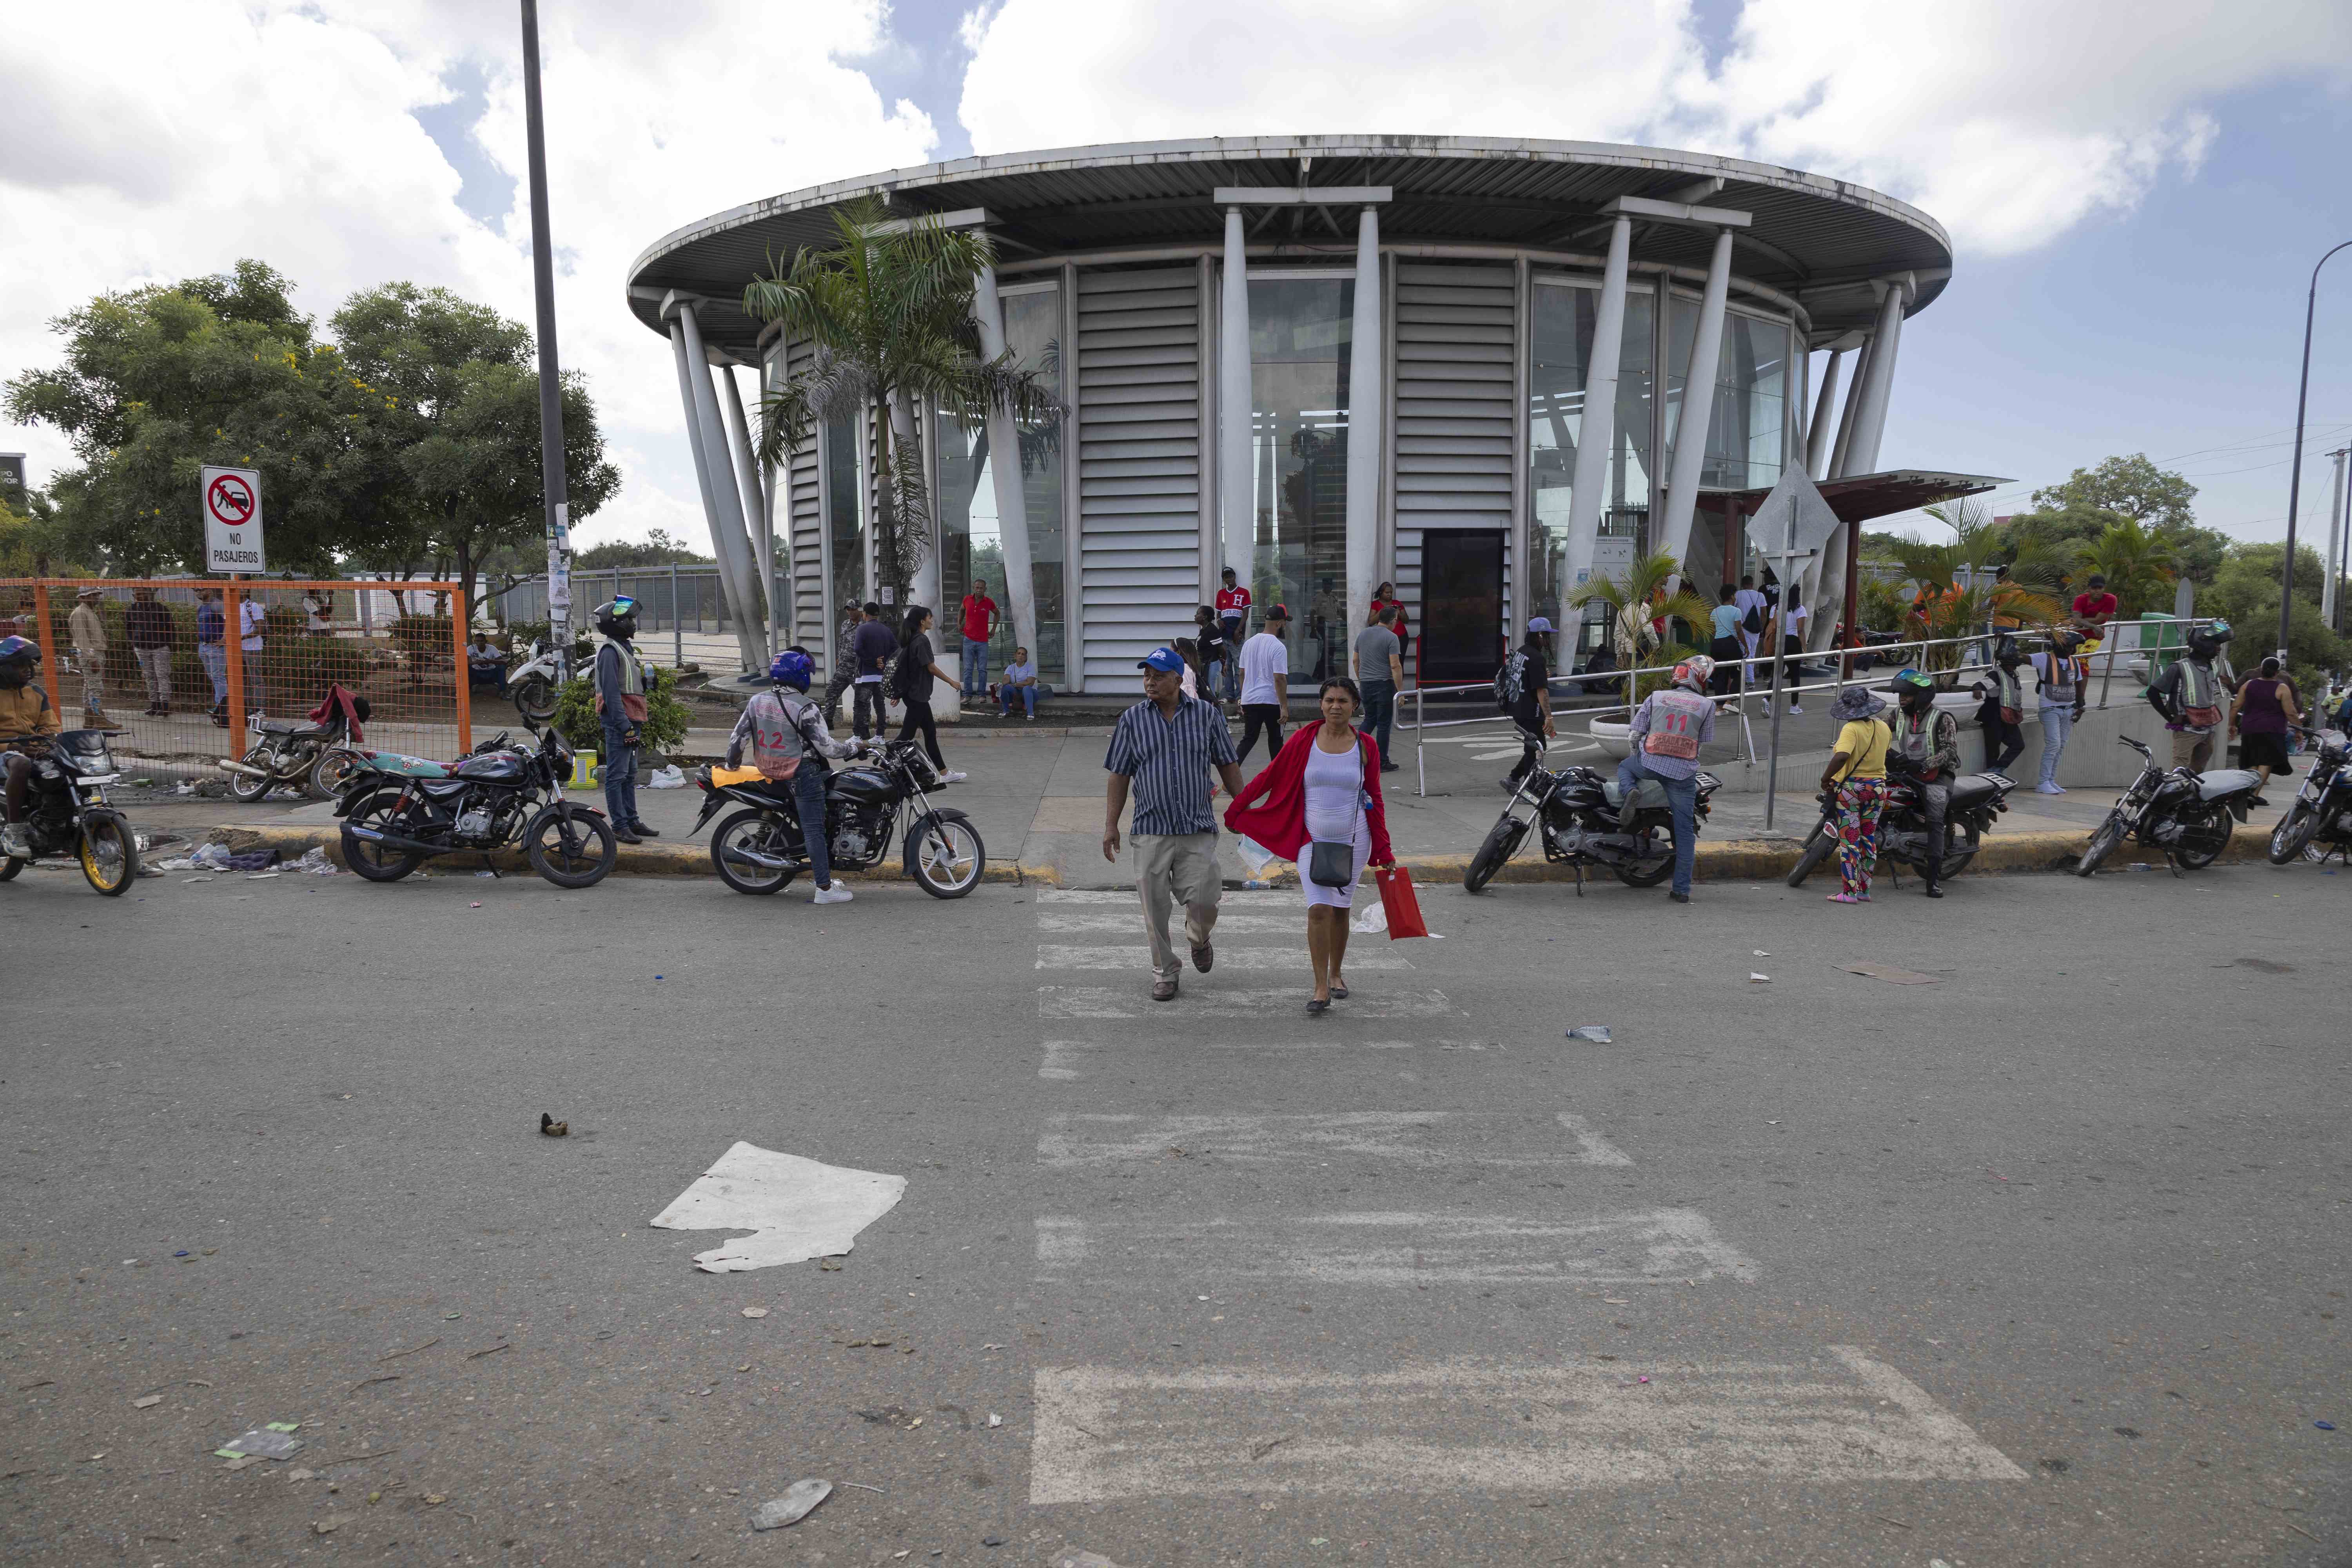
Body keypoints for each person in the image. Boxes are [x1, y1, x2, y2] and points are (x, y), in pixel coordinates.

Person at [1224, 675, 1396, 1014]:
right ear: (1321, 704)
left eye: (1343, 701)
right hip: (1310, 839)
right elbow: (1269, 776)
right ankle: (1320, 987)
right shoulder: (1304, 740)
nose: (1336, 706)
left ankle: (1336, 973)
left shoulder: (1366, 747)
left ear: (1355, 706)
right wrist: (1237, 808)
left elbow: (1374, 798)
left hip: (1354, 840)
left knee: (1341, 911)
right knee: (1319, 909)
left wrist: (1383, 848)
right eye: (1330, 700)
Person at [1103, 645, 1245, 1002]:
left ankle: (1199, 938)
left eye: (1159, 676)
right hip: (1150, 828)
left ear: (1179, 680)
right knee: (1154, 909)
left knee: (1204, 901)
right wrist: (1111, 825)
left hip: (1196, 826)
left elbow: (1228, 764)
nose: (1150, 682)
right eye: (1147, 675)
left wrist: (1243, 809)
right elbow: (1119, 775)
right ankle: (1166, 972)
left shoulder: (1207, 716)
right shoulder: (1132, 720)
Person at [726, 646, 863, 904]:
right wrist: (855, 748)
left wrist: (732, 766)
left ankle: (825, 868)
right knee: (814, 829)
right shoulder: (806, 707)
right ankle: (824, 889)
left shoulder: (757, 701)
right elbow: (827, 748)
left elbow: (738, 740)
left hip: (769, 770)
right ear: (801, 675)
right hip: (801, 774)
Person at [1617, 654, 1716, 902]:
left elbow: (1635, 735)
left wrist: (1638, 757)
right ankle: (1681, 891)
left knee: (1625, 767)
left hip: (1649, 764)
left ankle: (1629, 790)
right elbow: (1703, 742)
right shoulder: (1707, 705)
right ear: (1697, 678)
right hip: (1683, 774)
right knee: (1684, 834)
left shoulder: (1656, 697)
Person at [1887, 668, 1960, 898]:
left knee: (1935, 819)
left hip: (1937, 776)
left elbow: (1949, 751)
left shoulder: (1943, 718)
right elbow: (1878, 731)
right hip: (1907, 770)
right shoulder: (1898, 714)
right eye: (1900, 695)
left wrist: (1925, 765)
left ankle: (1934, 879)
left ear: (1922, 696)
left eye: (1907, 695)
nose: (1902, 699)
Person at [593, 597, 658, 845]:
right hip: (620, 721)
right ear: (616, 623)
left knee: (629, 774)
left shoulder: (623, 648)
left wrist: (646, 684)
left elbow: (625, 685)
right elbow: (611, 693)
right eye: (629, 619)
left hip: (631, 720)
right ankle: (619, 826)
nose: (633, 623)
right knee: (617, 775)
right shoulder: (610, 651)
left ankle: (632, 820)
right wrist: (625, 726)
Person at [1820, 685, 1893, 903]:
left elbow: (1842, 756)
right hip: (1879, 788)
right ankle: (1864, 890)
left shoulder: (1851, 729)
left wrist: (1826, 779)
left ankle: (1849, 893)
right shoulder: (1883, 727)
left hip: (1853, 790)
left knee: (1850, 841)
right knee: (1868, 839)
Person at [0, 635, 62, 861]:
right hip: (4, 752)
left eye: (30, 665)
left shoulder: (36, 693)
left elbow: (51, 727)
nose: (27, 670)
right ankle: (14, 830)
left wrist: (44, 744)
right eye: (20, 666)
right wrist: (15, 747)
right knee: (20, 762)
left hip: (32, 749)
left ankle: (121, 848)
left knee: (75, 768)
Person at [2148, 619, 2234, 774]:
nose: (2219, 649)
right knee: (2178, 773)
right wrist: (2171, 718)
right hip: (2187, 731)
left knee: (2197, 774)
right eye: (2216, 644)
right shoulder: (2180, 667)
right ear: (2204, 644)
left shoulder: (2212, 667)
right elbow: (2152, 693)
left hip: (2208, 731)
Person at [892, 605, 964, 782]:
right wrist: (952, 681)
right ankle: (885, 764)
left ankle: (945, 774)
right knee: (906, 737)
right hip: (918, 696)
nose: (932, 621)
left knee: (929, 734)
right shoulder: (921, 640)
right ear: (922, 621)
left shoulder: (912, 639)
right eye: (930, 618)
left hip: (915, 695)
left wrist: (900, 694)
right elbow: (930, 667)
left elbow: (908, 669)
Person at [2230, 655, 2299, 808]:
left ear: (2261, 670)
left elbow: (2236, 706)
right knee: (2266, 762)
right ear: (2277, 672)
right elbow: (2291, 713)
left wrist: (2232, 725)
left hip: (2250, 729)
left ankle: (2248, 793)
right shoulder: (2282, 688)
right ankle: (2254, 794)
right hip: (2272, 731)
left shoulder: (2248, 685)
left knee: (2253, 761)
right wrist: (2299, 730)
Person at [2031, 627, 2088, 794]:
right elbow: (2022, 659)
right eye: (2071, 647)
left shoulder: (2074, 662)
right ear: (2060, 646)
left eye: (2074, 647)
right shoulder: (2044, 659)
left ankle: (2051, 780)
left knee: (2061, 746)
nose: (2073, 650)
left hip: (2068, 710)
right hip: (2050, 709)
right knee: (2053, 744)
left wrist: (2080, 707)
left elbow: (2078, 686)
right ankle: (2042, 783)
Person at [1502, 618, 1556, 790]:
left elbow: (1525, 676)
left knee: (1532, 747)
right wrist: (1549, 717)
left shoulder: (1522, 652)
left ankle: (1514, 778)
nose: (1549, 640)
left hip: (1517, 707)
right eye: (1547, 636)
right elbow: (1542, 690)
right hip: (1531, 710)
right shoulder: (1536, 657)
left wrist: (1542, 673)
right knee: (1537, 749)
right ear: (1540, 635)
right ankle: (1527, 787)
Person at [1236, 603, 1292, 763]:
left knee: (1248, 739)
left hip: (1250, 700)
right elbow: (1279, 679)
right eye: (1285, 623)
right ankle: (1279, 780)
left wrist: (1243, 697)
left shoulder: (1249, 644)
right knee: (1276, 740)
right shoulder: (1278, 647)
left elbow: (1242, 673)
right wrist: (1284, 707)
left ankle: (1230, 777)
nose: (1285, 626)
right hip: (1271, 701)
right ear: (1280, 623)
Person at [1353, 604, 1404, 772]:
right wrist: (1400, 691)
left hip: (1366, 684)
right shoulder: (1392, 637)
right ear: (1394, 620)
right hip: (1384, 684)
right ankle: (1382, 761)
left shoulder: (1363, 634)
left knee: (1369, 719)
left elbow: (1356, 661)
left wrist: (1362, 678)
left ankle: (1355, 755)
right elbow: (1395, 666)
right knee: (1383, 724)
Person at [1977, 642, 2027, 774]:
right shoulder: (1995, 674)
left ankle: (1997, 770)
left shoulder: (2014, 673)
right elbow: (1980, 685)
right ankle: (1992, 779)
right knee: (1993, 751)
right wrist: (1977, 689)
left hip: (2008, 717)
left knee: (2018, 745)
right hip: (1993, 719)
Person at [849, 601, 896, 740]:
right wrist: (884, 662)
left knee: (860, 705)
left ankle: (857, 736)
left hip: (865, 675)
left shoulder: (862, 629)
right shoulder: (886, 630)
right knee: (880, 705)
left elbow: (857, 649)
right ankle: (880, 736)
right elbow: (895, 649)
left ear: (866, 615)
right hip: (881, 676)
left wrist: (873, 661)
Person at [125, 587, 174, 717]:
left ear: (148, 594)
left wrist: (170, 645)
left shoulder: (160, 609)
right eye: (137, 594)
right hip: (141, 649)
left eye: (142, 594)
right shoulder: (132, 610)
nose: (139, 596)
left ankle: (165, 704)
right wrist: (134, 642)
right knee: (149, 676)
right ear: (133, 595)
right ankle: (154, 704)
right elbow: (129, 628)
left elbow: (171, 628)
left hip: (160, 648)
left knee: (162, 676)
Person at [68, 587, 108, 720]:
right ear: (82, 598)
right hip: (91, 655)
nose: (96, 597)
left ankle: (90, 719)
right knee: (96, 688)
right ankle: (99, 719)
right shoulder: (80, 613)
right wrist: (92, 659)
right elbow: (82, 639)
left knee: (89, 686)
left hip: (96, 653)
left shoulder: (89, 612)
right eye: (92, 595)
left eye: (97, 595)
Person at [958, 579, 998, 700]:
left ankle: (982, 695)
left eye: (981, 588)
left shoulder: (988, 602)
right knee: (968, 670)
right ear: (974, 588)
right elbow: (961, 610)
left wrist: (994, 630)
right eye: (977, 588)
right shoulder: (967, 599)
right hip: (968, 640)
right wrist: (959, 624)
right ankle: (967, 696)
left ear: (985, 589)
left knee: (982, 670)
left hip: (983, 642)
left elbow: (997, 613)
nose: (979, 590)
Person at [1214, 567, 1251, 700]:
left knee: (1239, 666)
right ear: (1223, 580)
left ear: (1235, 577)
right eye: (1226, 577)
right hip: (1224, 635)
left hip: (1236, 637)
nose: (1229, 579)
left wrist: (1238, 631)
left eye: (1231, 576)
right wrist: (1219, 620)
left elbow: (1245, 614)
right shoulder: (1221, 593)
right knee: (1227, 666)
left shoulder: (1244, 593)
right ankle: (1229, 694)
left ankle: (1240, 695)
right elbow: (1218, 612)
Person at [1770, 593, 1809, 712]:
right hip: (1793, 642)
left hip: (1780, 641)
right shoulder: (1800, 609)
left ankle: (1767, 700)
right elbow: (1801, 630)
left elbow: (1774, 627)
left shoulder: (1775, 608)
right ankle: (1794, 706)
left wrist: (1772, 645)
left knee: (1777, 674)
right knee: (1795, 675)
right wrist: (1805, 649)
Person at [196, 588, 229, 726]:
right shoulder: (201, 607)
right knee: (213, 677)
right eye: (196, 590)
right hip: (203, 646)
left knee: (218, 677)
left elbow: (231, 619)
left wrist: (225, 638)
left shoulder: (217, 605)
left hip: (215, 647)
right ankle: (221, 705)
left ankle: (222, 708)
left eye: (201, 590)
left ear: (209, 590)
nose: (198, 592)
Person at [1191, 606, 1231, 708]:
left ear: (1205, 617)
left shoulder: (1212, 631)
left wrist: (1224, 663)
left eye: (1198, 614)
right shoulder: (1204, 630)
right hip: (1205, 665)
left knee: (1210, 693)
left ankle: (1219, 719)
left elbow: (1222, 650)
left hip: (1212, 664)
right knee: (1206, 692)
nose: (1195, 616)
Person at [1706, 585, 1743, 695]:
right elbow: (1739, 630)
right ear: (1732, 596)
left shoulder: (1714, 612)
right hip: (1731, 644)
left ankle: (1719, 707)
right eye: (1735, 595)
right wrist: (1745, 646)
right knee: (1739, 674)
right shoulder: (1737, 611)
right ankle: (1730, 701)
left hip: (1717, 644)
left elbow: (1712, 631)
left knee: (1720, 676)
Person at [1733, 574, 1769, 678]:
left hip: (1742, 629)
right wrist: (1761, 627)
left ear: (1742, 585)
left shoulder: (1738, 595)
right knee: (1752, 653)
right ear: (1752, 584)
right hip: (1756, 630)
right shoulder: (1760, 595)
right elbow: (1764, 614)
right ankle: (1750, 678)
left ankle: (1749, 680)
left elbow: (1733, 610)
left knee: (1746, 653)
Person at [237, 588, 267, 715]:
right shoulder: (229, 606)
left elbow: (260, 630)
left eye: (242, 588)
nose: (239, 591)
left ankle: (259, 708)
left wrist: (243, 637)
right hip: (236, 649)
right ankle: (245, 707)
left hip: (252, 648)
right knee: (240, 679)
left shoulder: (253, 607)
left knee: (256, 679)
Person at [2072, 574, 2119, 651]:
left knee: (2083, 660)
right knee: (2073, 660)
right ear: (2089, 588)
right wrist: (2094, 626)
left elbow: (2097, 620)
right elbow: (2077, 620)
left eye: (2100, 588)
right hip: (2077, 636)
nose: (2097, 591)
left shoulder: (2111, 599)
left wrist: (2077, 621)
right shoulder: (2080, 599)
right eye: (2094, 588)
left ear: (2104, 588)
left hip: (2095, 637)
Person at [998, 647, 1042, 719]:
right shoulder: (1010, 668)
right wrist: (1001, 685)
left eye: (1023, 654)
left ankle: (1030, 714)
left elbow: (1030, 683)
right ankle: (1005, 711)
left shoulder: (1030, 667)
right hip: (1017, 693)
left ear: (1025, 657)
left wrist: (1015, 685)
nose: (1021, 656)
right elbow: (1006, 679)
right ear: (1015, 656)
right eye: (1019, 653)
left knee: (1027, 688)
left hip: (1030, 693)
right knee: (1005, 688)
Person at [466, 633, 510, 697]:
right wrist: (475, 663)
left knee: (502, 667)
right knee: (466, 668)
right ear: (475, 642)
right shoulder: (471, 648)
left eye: (482, 641)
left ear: (486, 642)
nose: (480, 643)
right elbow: (464, 662)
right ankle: (467, 692)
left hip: (491, 674)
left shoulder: (492, 648)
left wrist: (490, 661)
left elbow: (503, 662)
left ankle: (502, 692)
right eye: (478, 641)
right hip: (476, 675)